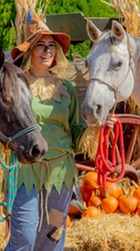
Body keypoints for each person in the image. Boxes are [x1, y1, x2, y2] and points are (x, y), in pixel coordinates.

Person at [4, 7, 87, 251]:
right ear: (30, 51)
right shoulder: (17, 84)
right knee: (25, 238)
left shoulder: (66, 88)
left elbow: (74, 130)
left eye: (51, 45)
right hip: (26, 171)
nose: (47, 51)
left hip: (61, 174)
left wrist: (96, 129)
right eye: (40, 45)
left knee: (52, 237)